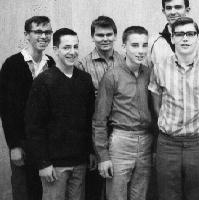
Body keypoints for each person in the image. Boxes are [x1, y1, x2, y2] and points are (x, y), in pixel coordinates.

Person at [149, 17, 199, 200]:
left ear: (197, 38)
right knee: (167, 195)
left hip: (198, 143)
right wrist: (170, 124)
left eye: (190, 34)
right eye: (179, 34)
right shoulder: (159, 68)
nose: (185, 38)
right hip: (168, 143)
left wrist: (198, 125)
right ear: (172, 38)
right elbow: (156, 105)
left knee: (198, 194)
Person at [25, 28, 95, 200]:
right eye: (66, 47)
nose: (72, 52)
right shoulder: (43, 81)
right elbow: (34, 125)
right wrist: (43, 162)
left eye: (76, 47)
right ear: (55, 50)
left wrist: (91, 151)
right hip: (54, 165)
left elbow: (89, 120)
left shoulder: (84, 80)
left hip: (79, 162)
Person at [93, 26, 153, 200]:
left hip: (146, 141)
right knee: (116, 195)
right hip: (121, 141)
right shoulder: (112, 76)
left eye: (144, 45)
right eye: (135, 45)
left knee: (139, 195)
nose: (140, 50)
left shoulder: (150, 74)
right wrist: (103, 156)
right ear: (124, 46)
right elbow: (99, 119)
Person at [0, 15, 55, 200]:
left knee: (44, 191)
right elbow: (7, 109)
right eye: (38, 31)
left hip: (46, 142)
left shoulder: (52, 64)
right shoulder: (12, 64)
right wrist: (14, 145)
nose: (43, 36)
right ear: (27, 35)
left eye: (47, 32)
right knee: (23, 191)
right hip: (22, 142)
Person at [76, 15, 122, 200]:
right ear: (92, 37)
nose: (105, 39)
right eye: (100, 35)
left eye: (109, 34)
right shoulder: (82, 65)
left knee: (116, 184)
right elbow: (82, 108)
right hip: (95, 130)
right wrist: (90, 148)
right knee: (94, 187)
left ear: (115, 35)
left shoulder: (125, 61)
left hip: (119, 131)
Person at [148, 0, 199, 66]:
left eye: (178, 7)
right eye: (168, 8)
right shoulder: (152, 42)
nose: (173, 12)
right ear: (163, 11)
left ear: (187, 10)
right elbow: (146, 73)